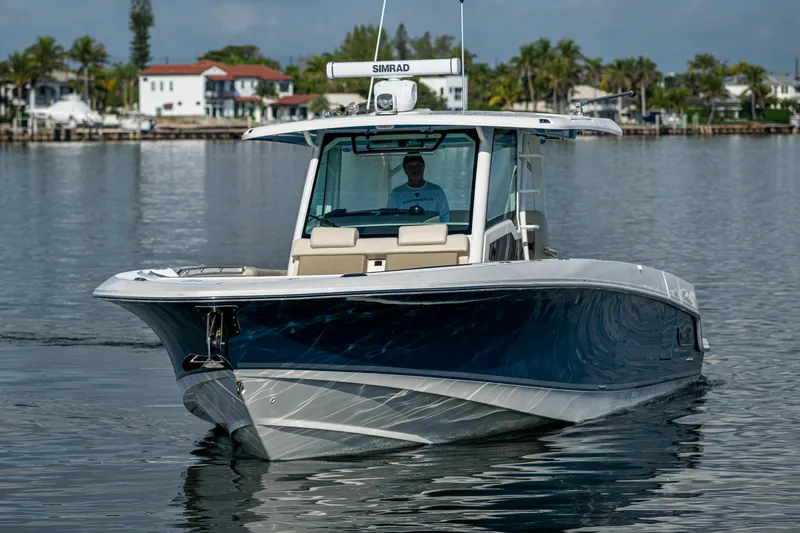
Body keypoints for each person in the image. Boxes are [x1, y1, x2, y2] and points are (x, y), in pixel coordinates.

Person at [387, 153, 450, 222]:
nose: (415, 169)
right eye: (410, 166)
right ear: (405, 170)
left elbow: (444, 218)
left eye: (418, 165)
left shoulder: (437, 191)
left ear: (423, 167)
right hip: (405, 232)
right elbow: (391, 220)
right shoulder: (396, 194)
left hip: (431, 231)